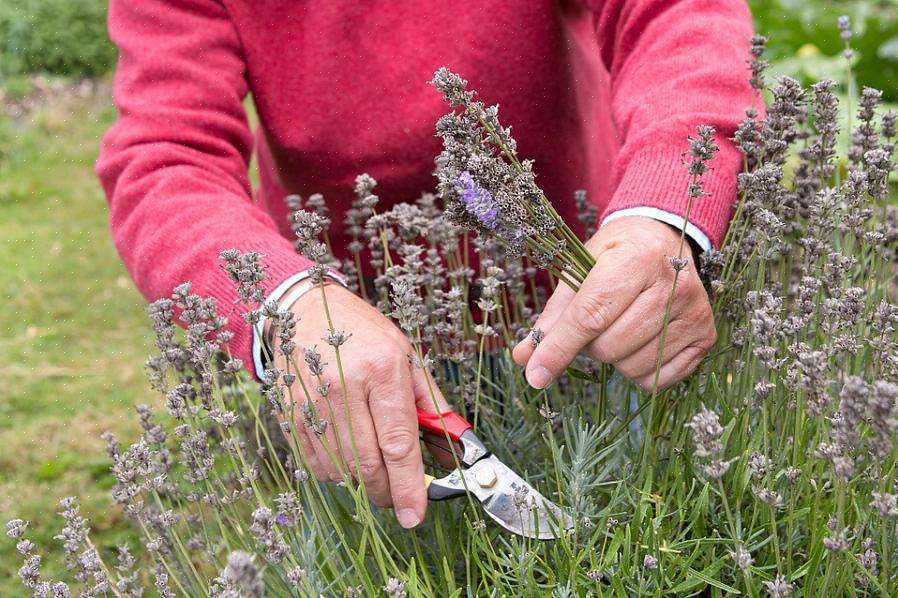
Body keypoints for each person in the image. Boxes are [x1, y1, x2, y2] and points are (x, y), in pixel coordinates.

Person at [97, 0, 754, 529]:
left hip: (589, 305)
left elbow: (676, 14)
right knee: (389, 554)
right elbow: (165, 157)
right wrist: (287, 306)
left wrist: (665, 211)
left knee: (628, 533)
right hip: (351, 348)